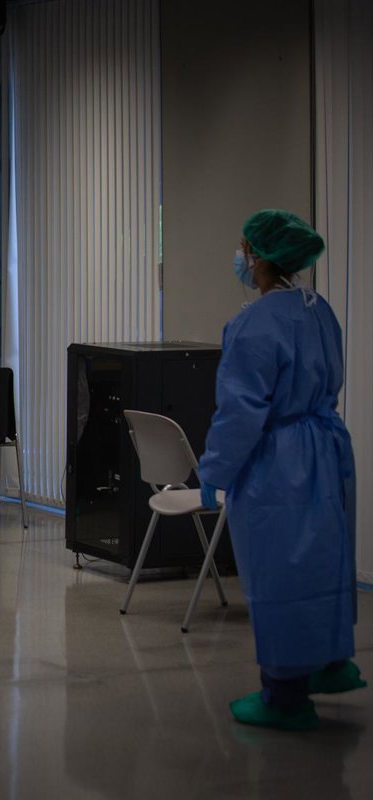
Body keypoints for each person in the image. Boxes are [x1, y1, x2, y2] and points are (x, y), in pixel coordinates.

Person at [197, 209, 364, 732]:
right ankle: (331, 662)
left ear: (260, 258)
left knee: (281, 571)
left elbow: (241, 411)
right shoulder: (319, 310)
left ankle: (285, 695)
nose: (240, 257)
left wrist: (214, 470)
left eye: (244, 248)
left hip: (279, 460)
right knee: (324, 563)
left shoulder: (254, 323)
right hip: (326, 449)